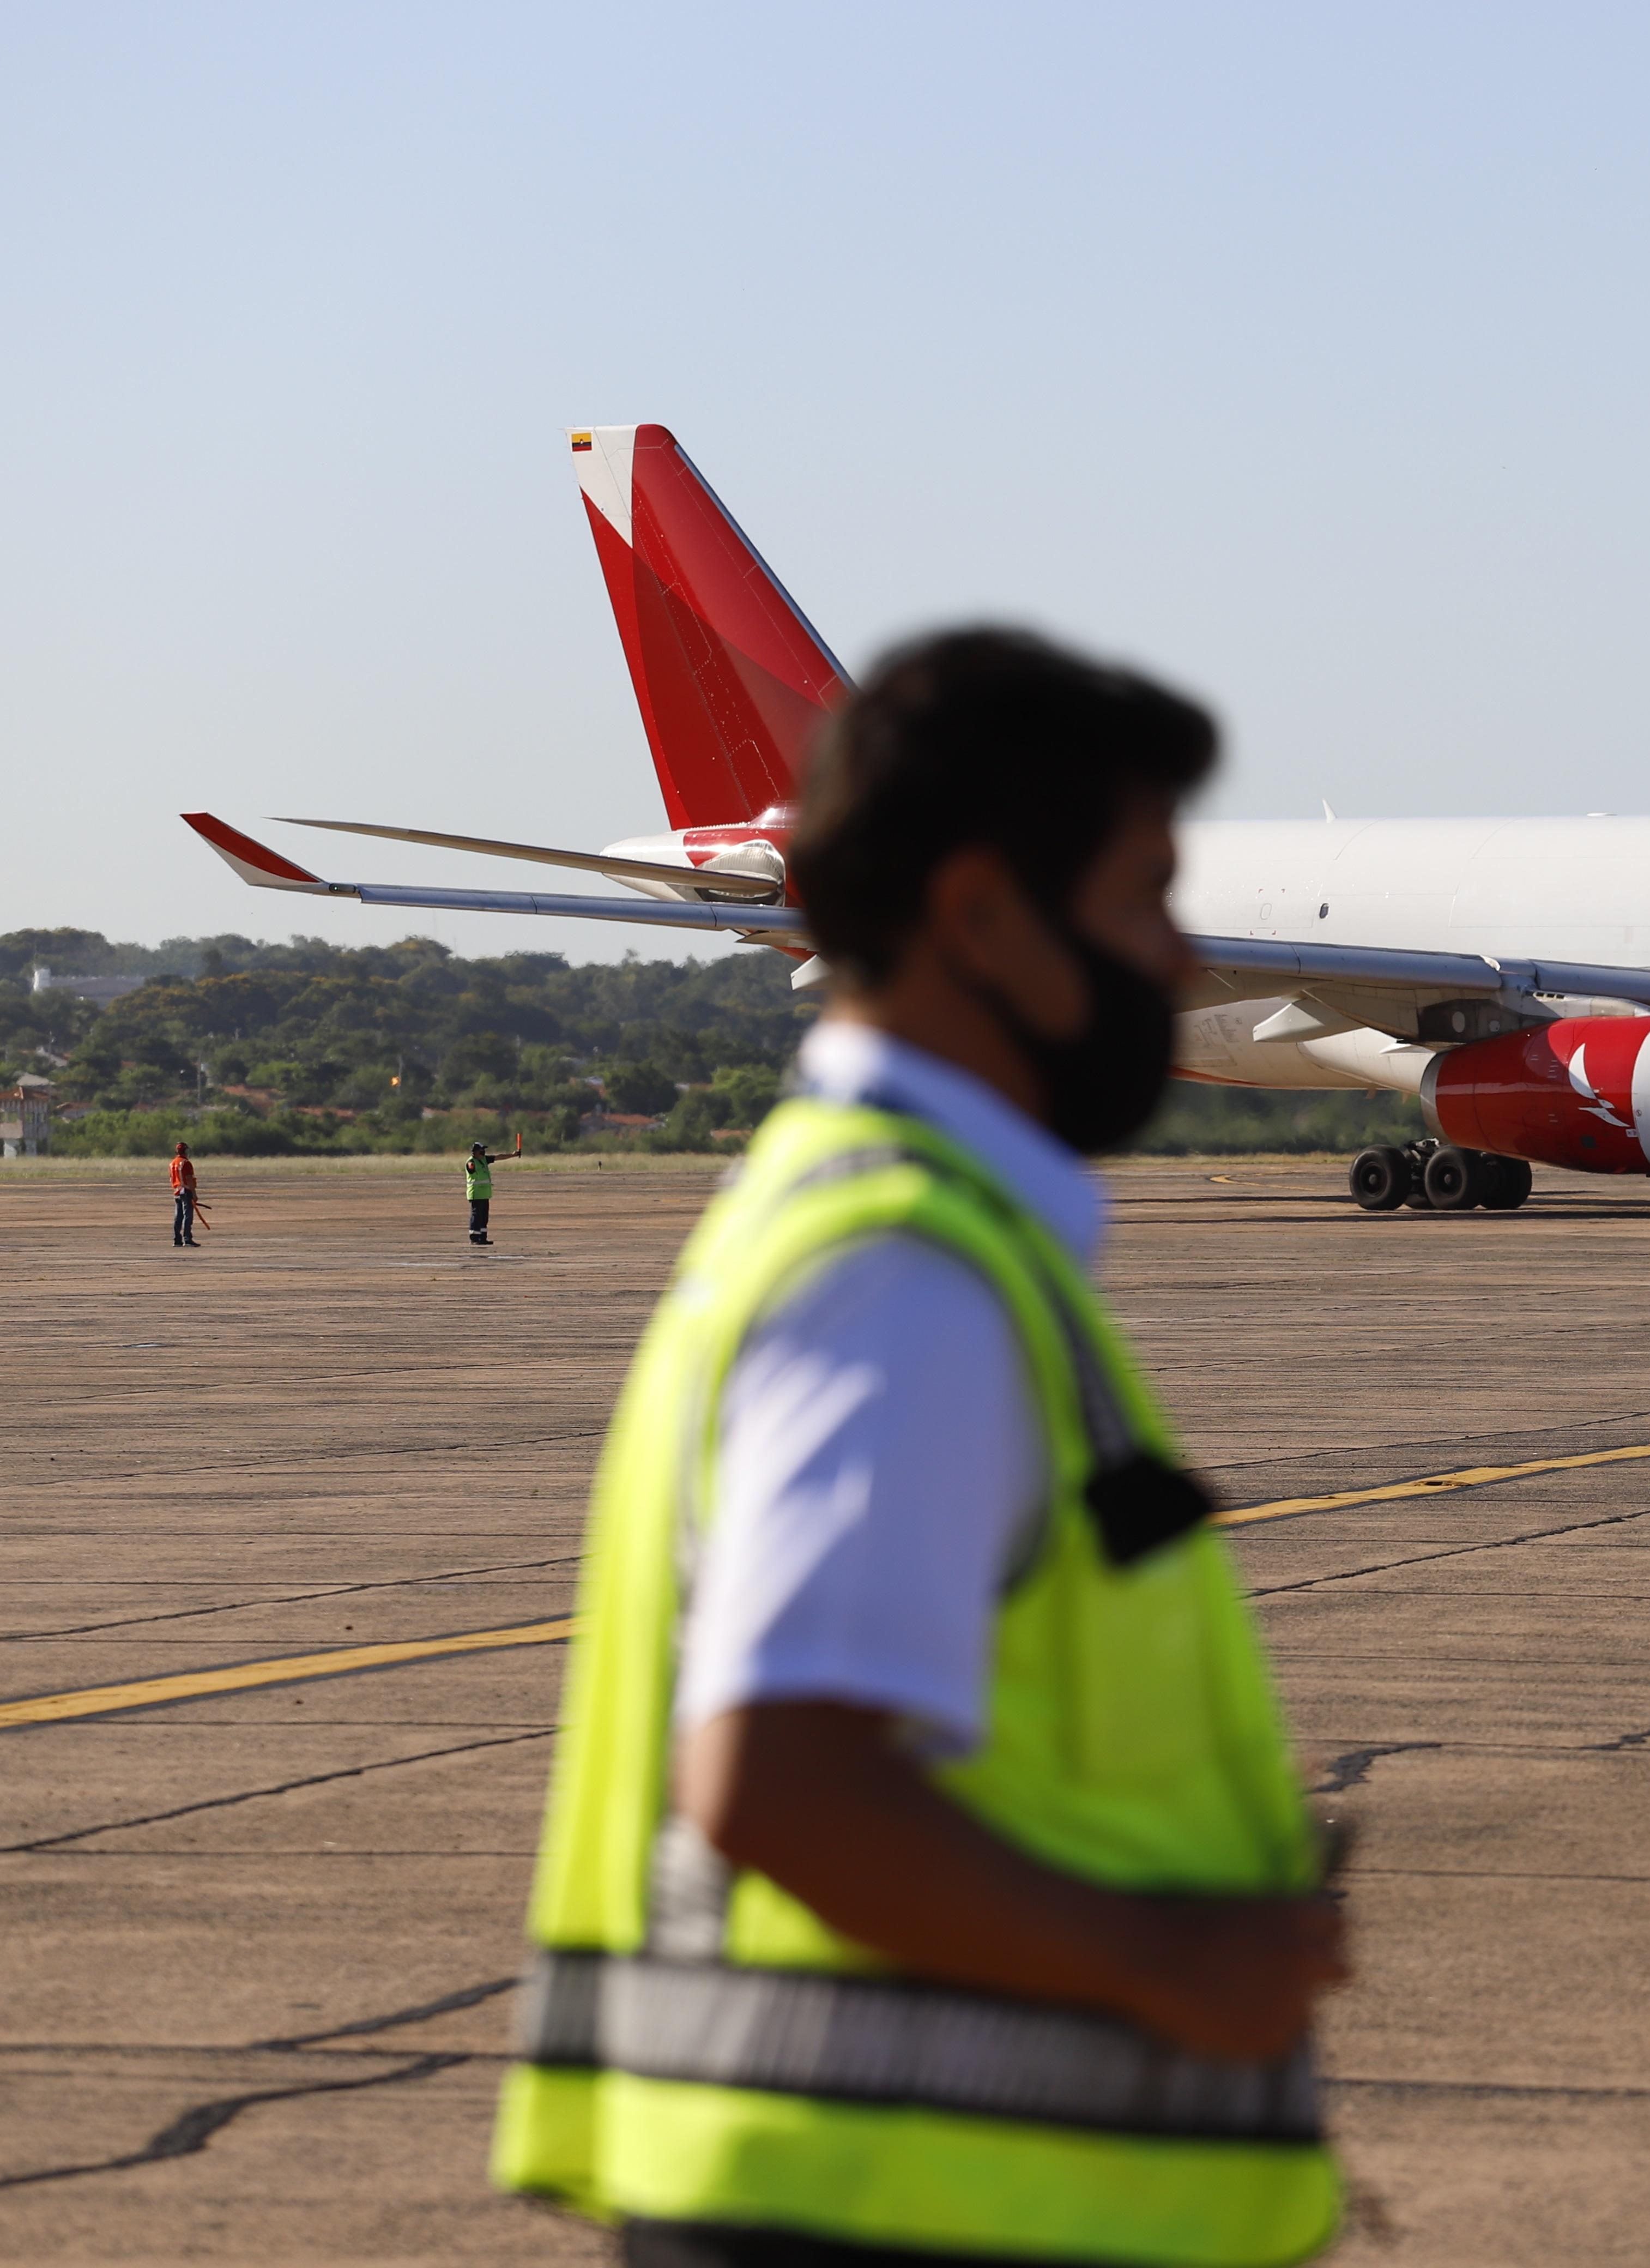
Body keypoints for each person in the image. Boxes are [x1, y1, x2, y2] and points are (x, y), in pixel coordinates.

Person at [495, 629, 1348, 2268]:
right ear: (977, 917)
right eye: (1143, 899)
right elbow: (783, 1780)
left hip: (869, 2192)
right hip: (900, 2211)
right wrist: (1165, 1961)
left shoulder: (872, 1227)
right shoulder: (904, 1274)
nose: (1179, 959)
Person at [466, 1135, 521, 1244]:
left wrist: (513, 1155)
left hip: (485, 1194)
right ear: (476, 1152)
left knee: (484, 1217)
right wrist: (471, 1166)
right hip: (476, 1194)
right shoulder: (471, 1162)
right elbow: (471, 1169)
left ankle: (483, 1237)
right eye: (481, 1151)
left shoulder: (484, 1160)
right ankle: (474, 1238)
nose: (484, 1153)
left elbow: (498, 1157)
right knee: (476, 1216)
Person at [170, 1141, 200, 1247]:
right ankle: (187, 1239)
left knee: (178, 1217)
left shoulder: (173, 1163)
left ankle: (177, 1240)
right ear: (185, 1151)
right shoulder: (186, 1163)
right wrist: (194, 1194)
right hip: (186, 1191)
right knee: (188, 1216)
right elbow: (189, 1179)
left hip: (177, 1192)